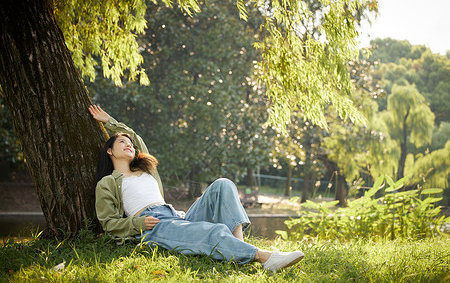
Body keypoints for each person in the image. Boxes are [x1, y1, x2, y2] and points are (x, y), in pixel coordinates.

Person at [89, 104, 304, 272]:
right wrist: (138, 223)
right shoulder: (108, 183)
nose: (129, 145)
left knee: (223, 185)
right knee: (214, 231)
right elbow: (109, 223)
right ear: (109, 151)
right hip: (153, 226)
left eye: (130, 144)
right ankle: (265, 258)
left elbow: (136, 137)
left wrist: (110, 121)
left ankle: (240, 247)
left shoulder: (145, 169)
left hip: (177, 215)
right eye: (122, 143)